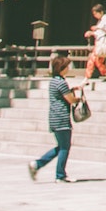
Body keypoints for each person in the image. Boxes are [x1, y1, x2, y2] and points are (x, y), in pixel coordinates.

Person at [28, 53, 81, 183]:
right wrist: (78, 98)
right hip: (62, 118)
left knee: (61, 147)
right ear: (62, 67)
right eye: (67, 66)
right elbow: (70, 100)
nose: (69, 68)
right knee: (64, 147)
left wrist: (72, 89)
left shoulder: (54, 81)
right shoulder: (61, 83)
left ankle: (37, 164)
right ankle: (60, 175)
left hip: (54, 118)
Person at [83, 3, 106, 84]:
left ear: (101, 12)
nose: (95, 16)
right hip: (99, 42)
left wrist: (97, 28)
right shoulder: (101, 20)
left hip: (103, 42)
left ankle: (86, 78)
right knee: (97, 61)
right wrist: (92, 33)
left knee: (92, 59)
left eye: (95, 13)